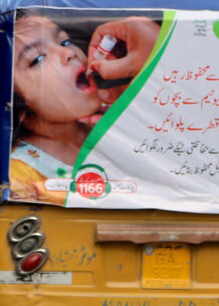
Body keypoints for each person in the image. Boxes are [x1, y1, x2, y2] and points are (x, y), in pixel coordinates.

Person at [10, 12, 158, 203]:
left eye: (64, 42)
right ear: (17, 104)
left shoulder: (121, 123)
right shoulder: (20, 175)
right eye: (38, 59)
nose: (69, 53)